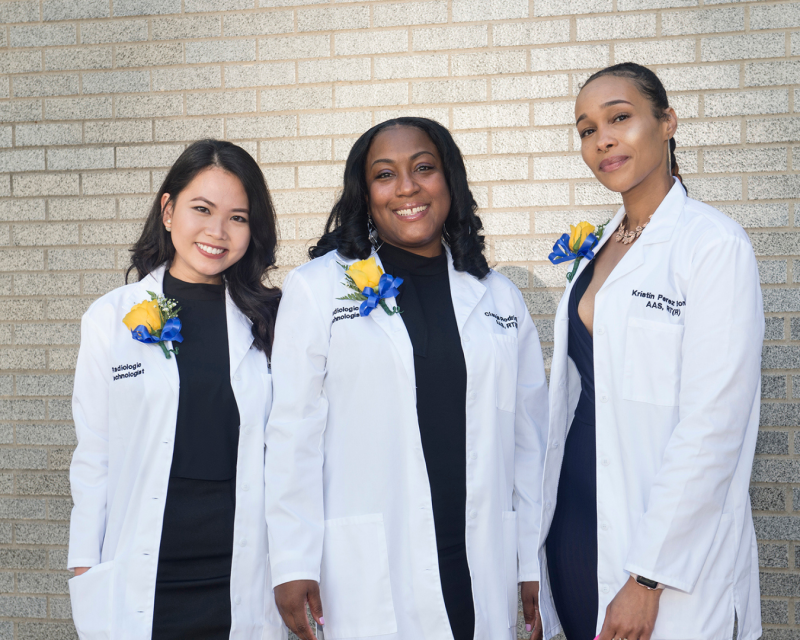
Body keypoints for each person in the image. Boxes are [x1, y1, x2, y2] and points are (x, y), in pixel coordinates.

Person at [264, 117, 549, 640]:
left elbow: (530, 440)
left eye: (423, 168)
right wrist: (291, 560)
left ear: (449, 180)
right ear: (365, 194)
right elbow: (291, 434)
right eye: (385, 174)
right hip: (374, 556)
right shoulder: (317, 288)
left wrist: (531, 561)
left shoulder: (499, 296)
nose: (407, 188)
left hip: (478, 555)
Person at [538, 63, 764, 640]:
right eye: (587, 130)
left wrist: (646, 578)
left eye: (619, 117)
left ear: (667, 122)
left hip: (663, 555)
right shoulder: (599, 247)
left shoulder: (712, 244)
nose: (602, 140)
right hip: (577, 520)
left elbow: (714, 425)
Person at [67, 139, 284, 640]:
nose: (217, 231)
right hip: (144, 562)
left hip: (241, 565)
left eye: (237, 217)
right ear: (168, 211)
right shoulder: (111, 318)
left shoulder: (274, 319)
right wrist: (85, 562)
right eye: (201, 209)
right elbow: (94, 453)